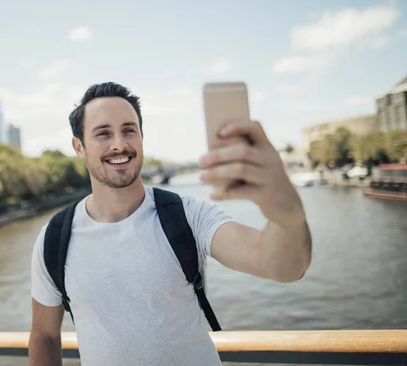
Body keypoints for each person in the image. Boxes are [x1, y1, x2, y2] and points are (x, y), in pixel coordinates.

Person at [29, 82, 312, 366]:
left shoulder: (186, 216)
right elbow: (45, 336)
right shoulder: (54, 239)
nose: (119, 143)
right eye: (103, 133)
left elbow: (285, 267)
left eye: (129, 130)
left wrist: (287, 214)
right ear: (79, 146)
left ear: (141, 137)